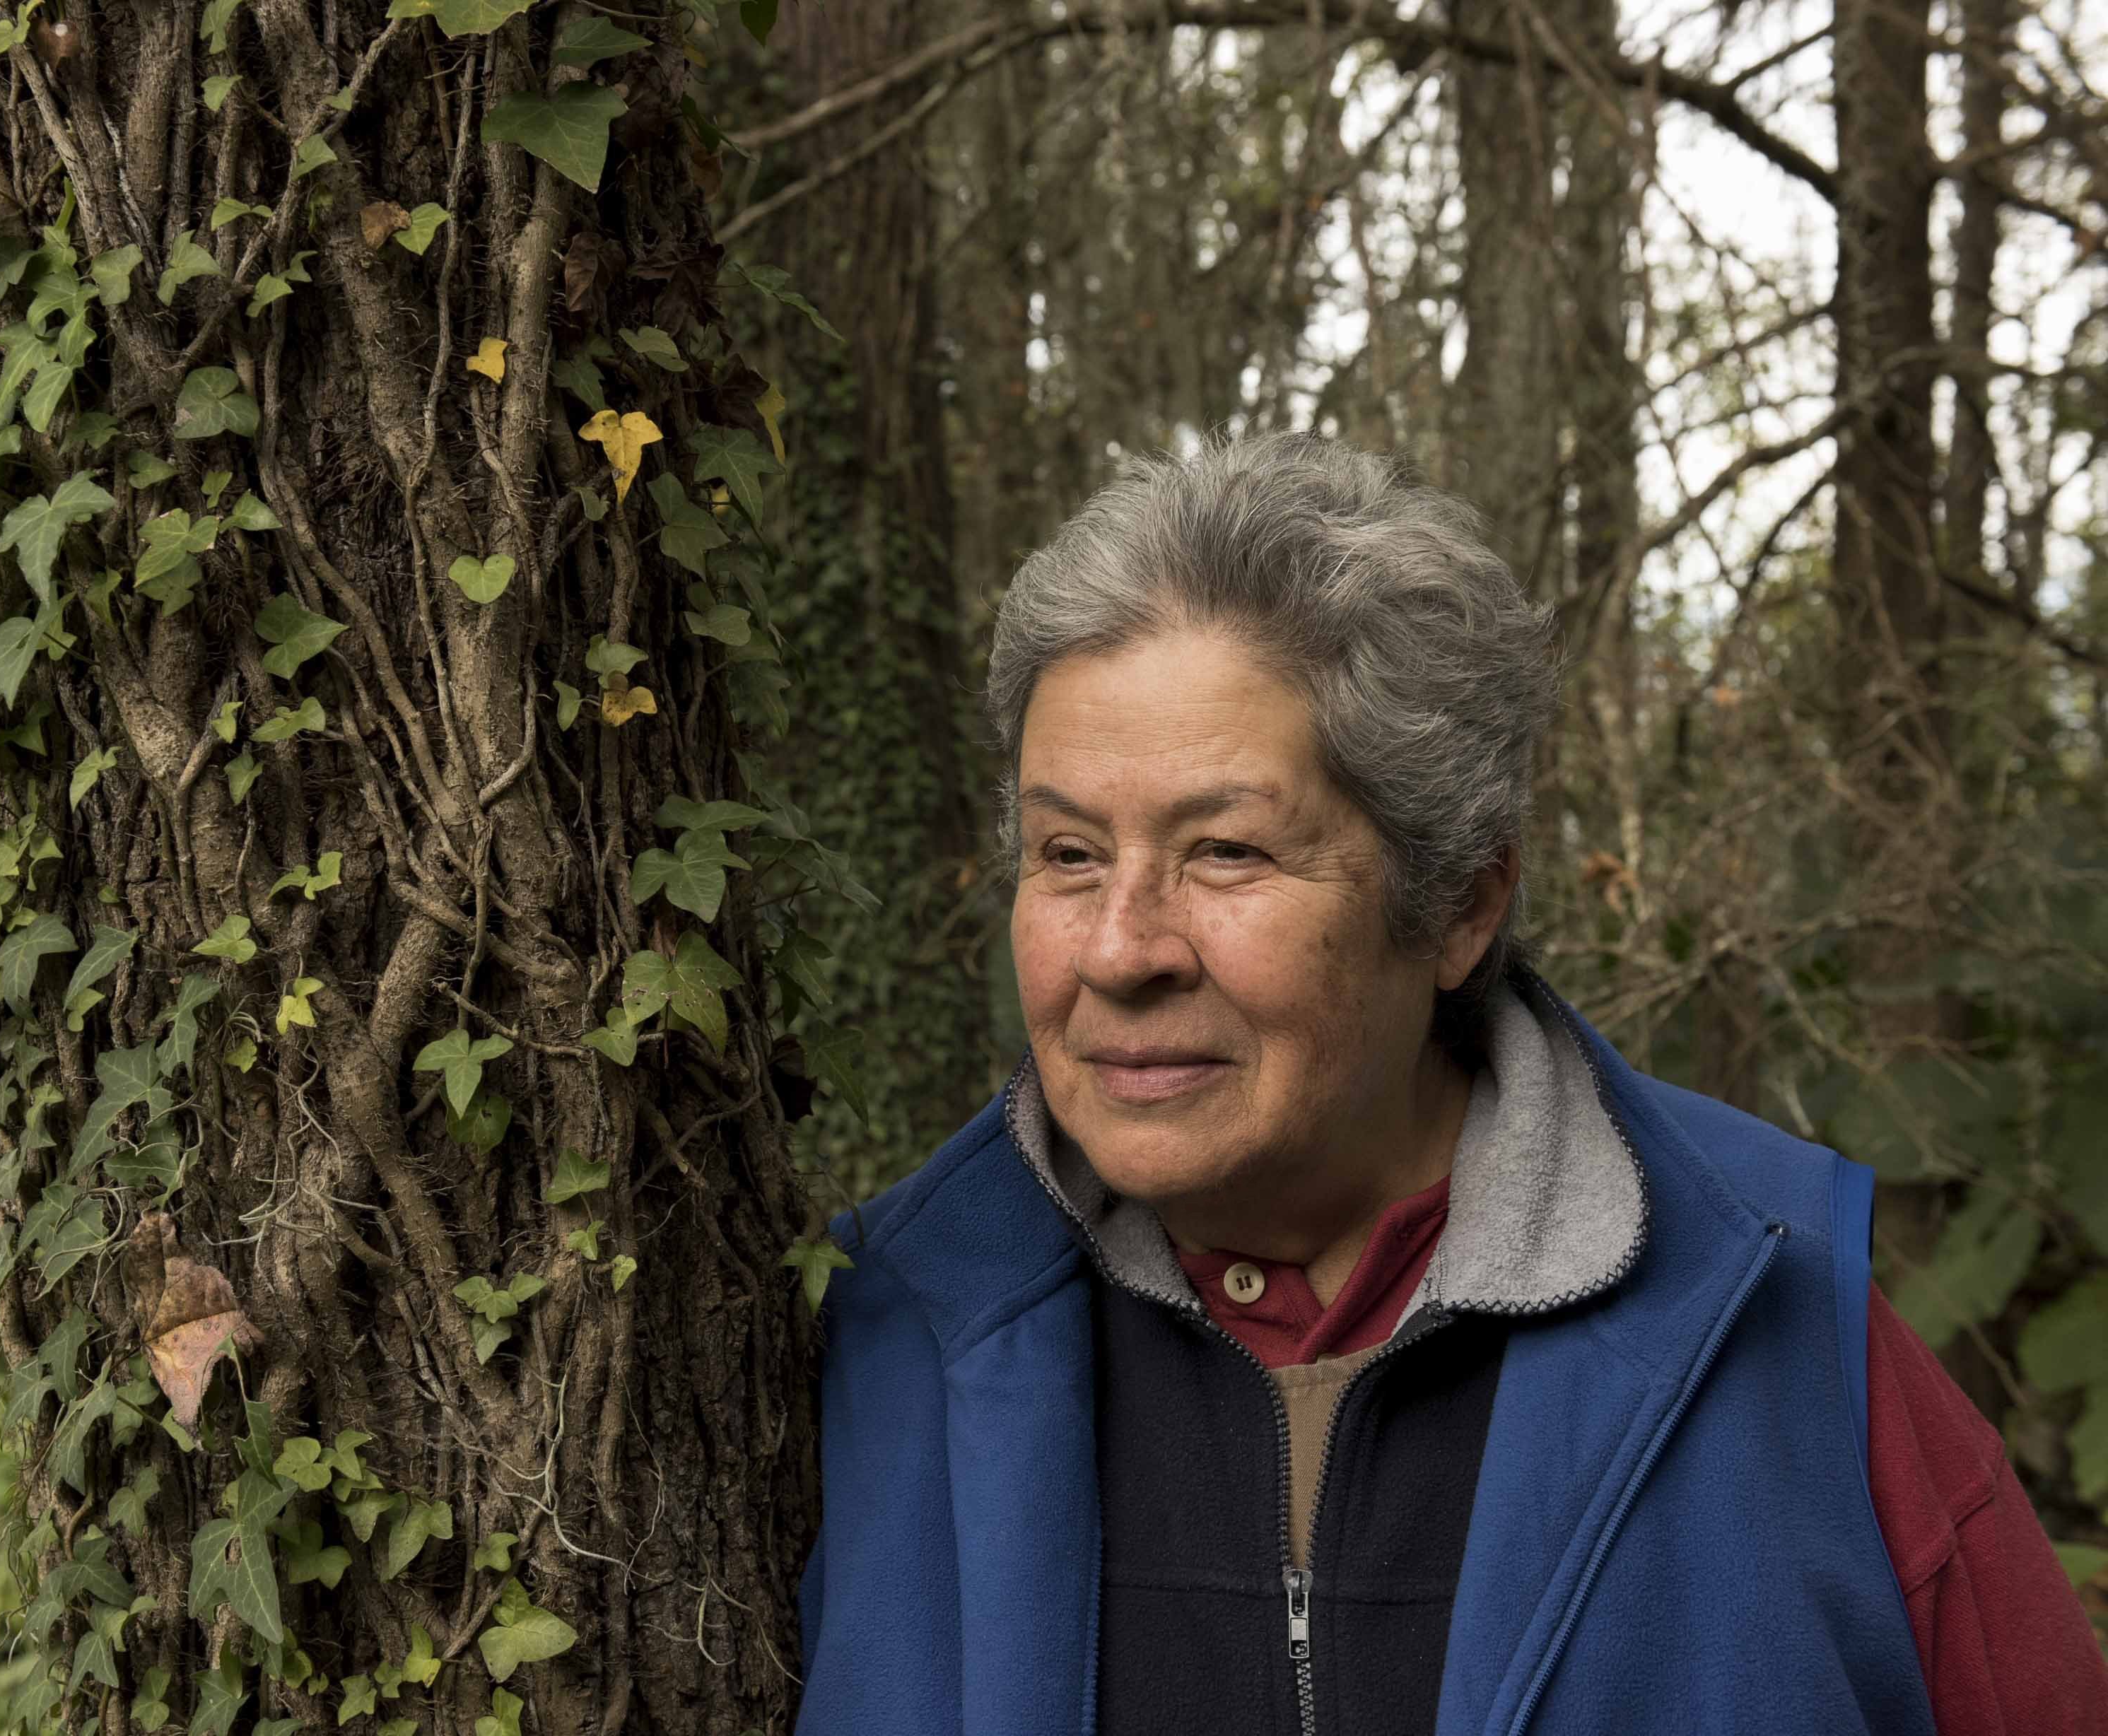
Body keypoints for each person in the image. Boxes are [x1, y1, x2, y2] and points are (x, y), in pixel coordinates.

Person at [791, 433, 2108, 1735]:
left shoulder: (1766, 1308)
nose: (1121, 950)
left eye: (1228, 851)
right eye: (1069, 854)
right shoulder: (878, 1334)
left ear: (1461, 906)